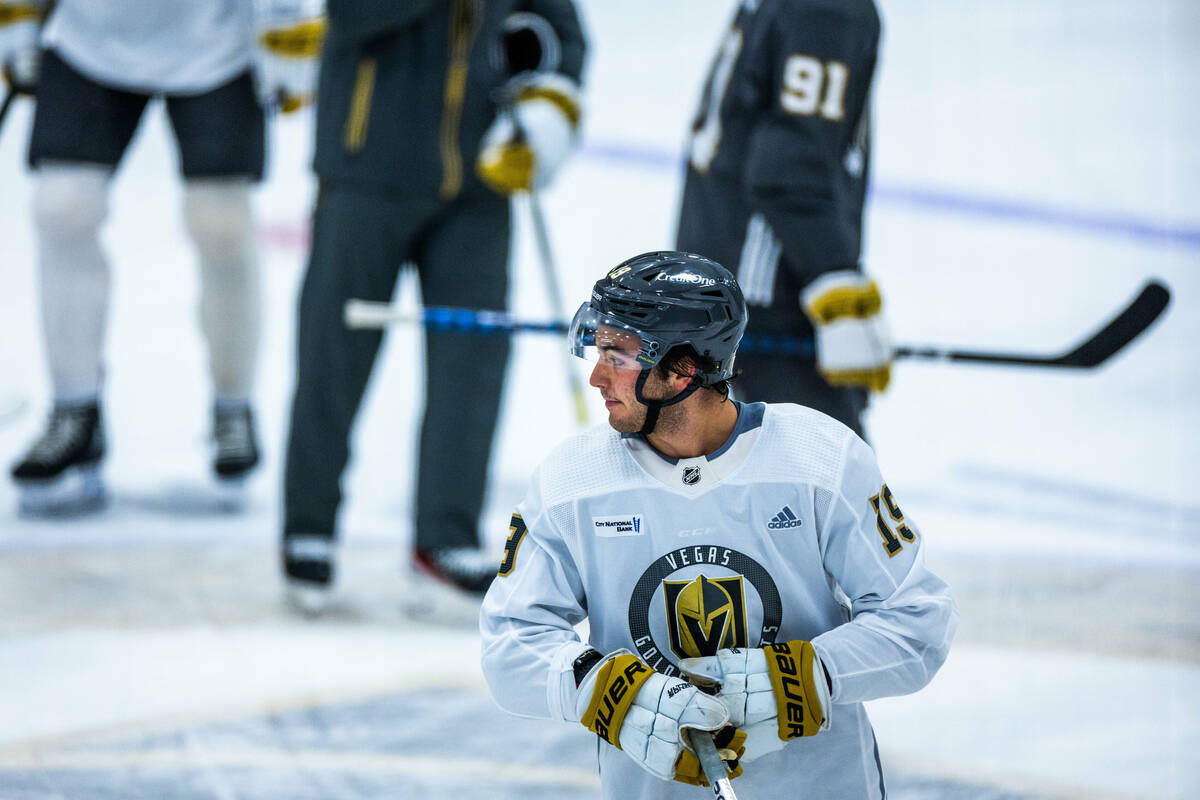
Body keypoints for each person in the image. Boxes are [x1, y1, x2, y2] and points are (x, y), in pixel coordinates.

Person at [481, 251, 957, 798]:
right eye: (598, 347)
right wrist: (603, 689)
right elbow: (508, 645)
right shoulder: (572, 482)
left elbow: (919, 620)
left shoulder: (820, 460)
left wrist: (811, 677)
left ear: (685, 366)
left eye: (619, 353)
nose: (596, 375)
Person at [280, 1, 588, 613]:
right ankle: (307, 522)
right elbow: (351, 15)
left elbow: (561, 33)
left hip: (479, 179)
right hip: (365, 164)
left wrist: (544, 113)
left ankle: (445, 534)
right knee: (333, 352)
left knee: (473, 360)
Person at [1, 0, 321, 513]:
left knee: (221, 222)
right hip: (88, 39)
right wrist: (18, 20)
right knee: (62, 206)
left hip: (215, 44)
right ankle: (74, 408)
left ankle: (232, 408)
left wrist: (285, 23)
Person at [675, 0, 886, 438]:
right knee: (834, 493)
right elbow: (789, 171)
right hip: (768, 300)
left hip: (719, 285)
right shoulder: (827, 11)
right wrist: (836, 287)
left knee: (727, 491)